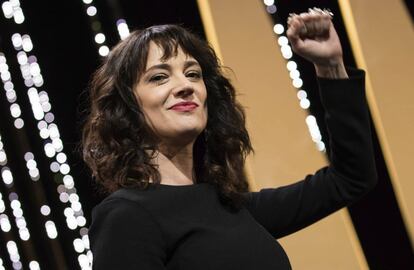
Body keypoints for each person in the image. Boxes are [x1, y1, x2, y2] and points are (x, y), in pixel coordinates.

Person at [83, 7, 377, 270]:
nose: (185, 85)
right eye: (159, 77)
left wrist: (331, 66)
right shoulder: (126, 216)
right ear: (127, 108)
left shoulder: (233, 206)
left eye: (193, 74)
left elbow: (351, 178)